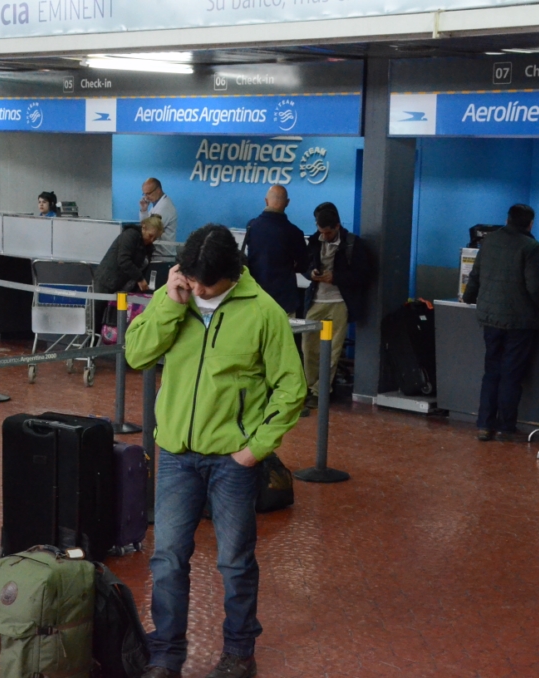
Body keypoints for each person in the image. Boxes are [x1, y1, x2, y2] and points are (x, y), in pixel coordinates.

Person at [124, 225, 306, 678]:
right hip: (177, 456)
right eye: (192, 278)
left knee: (235, 560)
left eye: (207, 284)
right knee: (167, 557)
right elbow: (136, 355)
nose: (198, 289)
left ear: (233, 275)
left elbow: (291, 386)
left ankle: (239, 654)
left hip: (233, 460)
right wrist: (169, 304)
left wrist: (256, 448)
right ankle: (166, 653)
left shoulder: (264, 312)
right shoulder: (176, 297)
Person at [462, 203, 539, 442]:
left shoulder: (488, 242)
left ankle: (484, 425)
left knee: (491, 372)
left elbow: (476, 274)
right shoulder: (531, 247)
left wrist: (468, 298)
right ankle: (505, 426)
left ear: (507, 219)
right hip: (519, 321)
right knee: (511, 375)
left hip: (490, 318)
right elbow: (535, 286)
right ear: (530, 223)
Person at [301, 202, 370, 412]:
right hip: (316, 301)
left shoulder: (353, 244)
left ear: (337, 226)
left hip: (339, 303)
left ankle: (321, 391)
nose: (325, 236)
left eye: (328, 233)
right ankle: (309, 387)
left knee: (332, 351)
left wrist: (336, 278)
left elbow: (364, 274)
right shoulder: (314, 241)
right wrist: (311, 273)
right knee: (308, 348)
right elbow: (304, 266)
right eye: (321, 232)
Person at [241, 184, 307, 315]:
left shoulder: (252, 226)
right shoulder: (294, 233)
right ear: (287, 203)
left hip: (256, 296)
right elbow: (304, 265)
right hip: (284, 299)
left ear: (266, 201)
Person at [95, 215, 164, 295]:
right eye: (150, 236)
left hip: (124, 288)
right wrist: (140, 279)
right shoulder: (130, 235)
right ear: (144, 227)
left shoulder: (148, 248)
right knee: (97, 307)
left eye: (155, 239)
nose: (152, 240)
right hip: (107, 283)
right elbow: (124, 260)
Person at [139, 177, 178, 256]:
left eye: (148, 193)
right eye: (144, 194)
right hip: (158, 254)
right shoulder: (156, 204)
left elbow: (149, 230)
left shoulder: (164, 207)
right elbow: (146, 225)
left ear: (158, 190)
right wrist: (144, 210)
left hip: (163, 256)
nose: (146, 197)